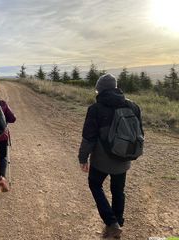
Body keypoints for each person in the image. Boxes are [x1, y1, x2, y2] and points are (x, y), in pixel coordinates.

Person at [78, 73, 143, 238]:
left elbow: (89, 137)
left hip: (102, 160)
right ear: (116, 88)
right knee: (118, 191)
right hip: (124, 158)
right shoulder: (133, 106)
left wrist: (83, 158)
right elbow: (140, 134)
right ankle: (118, 222)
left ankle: (111, 222)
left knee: (95, 184)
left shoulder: (95, 109)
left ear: (99, 90)